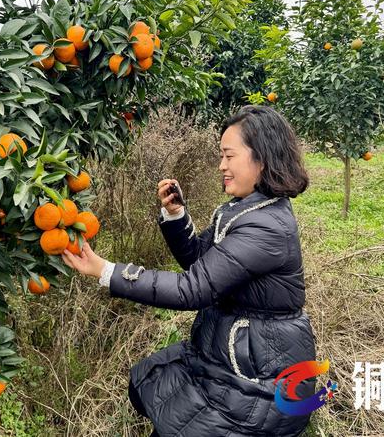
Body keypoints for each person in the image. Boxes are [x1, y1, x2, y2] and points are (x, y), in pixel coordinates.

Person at [62, 105, 315, 436]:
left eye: (229, 155)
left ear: (262, 158)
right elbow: (201, 263)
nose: (221, 166)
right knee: (160, 389)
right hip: (231, 359)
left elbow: (192, 289)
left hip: (260, 383)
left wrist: (106, 270)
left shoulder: (266, 227)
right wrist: (177, 215)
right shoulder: (246, 210)